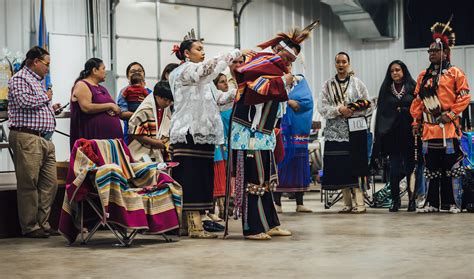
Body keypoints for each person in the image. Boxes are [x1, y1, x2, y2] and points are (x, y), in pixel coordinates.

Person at [229, 20, 319, 240]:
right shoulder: (258, 61)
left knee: (268, 179)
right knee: (254, 179)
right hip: (249, 132)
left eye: (292, 61)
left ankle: (270, 223)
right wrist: (283, 81)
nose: (288, 64)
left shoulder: (275, 68)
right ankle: (253, 227)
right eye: (287, 58)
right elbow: (252, 86)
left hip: (265, 133)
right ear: (278, 49)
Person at [168, 29, 243, 238]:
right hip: (188, 132)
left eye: (203, 49)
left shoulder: (204, 80)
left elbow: (219, 101)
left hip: (203, 134)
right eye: (198, 49)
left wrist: (238, 93)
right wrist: (231, 54)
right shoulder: (183, 71)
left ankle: (188, 224)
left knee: (201, 177)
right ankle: (194, 225)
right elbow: (205, 69)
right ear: (186, 54)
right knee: (191, 178)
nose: (203, 53)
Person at [410, 18, 470, 214]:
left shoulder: (455, 74)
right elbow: (418, 102)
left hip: (449, 129)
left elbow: (464, 97)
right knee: (431, 169)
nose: (432, 53)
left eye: (436, 50)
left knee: (452, 168)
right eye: (430, 51)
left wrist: (451, 113)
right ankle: (431, 203)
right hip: (429, 130)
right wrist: (416, 121)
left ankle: (453, 203)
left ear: (445, 52)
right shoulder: (423, 76)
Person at [8, 46, 61, 238]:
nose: (48, 68)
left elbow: (35, 106)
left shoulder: (38, 81)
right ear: (36, 61)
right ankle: (30, 227)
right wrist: (45, 97)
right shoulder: (19, 78)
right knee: (28, 184)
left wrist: (51, 108)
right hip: (27, 137)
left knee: (50, 184)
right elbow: (23, 101)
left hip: (44, 139)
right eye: (46, 64)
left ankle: (43, 222)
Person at [318, 51, 371, 214]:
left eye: (344, 62)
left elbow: (368, 104)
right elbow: (322, 108)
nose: (341, 65)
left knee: (357, 166)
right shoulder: (328, 85)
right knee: (341, 167)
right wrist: (339, 110)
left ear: (349, 63)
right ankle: (347, 203)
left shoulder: (357, 84)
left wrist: (353, 110)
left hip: (355, 131)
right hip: (335, 133)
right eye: (338, 62)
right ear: (335, 64)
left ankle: (360, 203)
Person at [372, 60, 417, 212]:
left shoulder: (412, 86)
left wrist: (404, 109)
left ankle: (412, 201)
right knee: (394, 169)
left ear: (403, 70)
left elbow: (418, 107)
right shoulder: (385, 89)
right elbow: (381, 113)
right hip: (392, 135)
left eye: (398, 70)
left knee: (410, 168)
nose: (395, 73)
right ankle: (395, 201)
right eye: (392, 71)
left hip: (409, 135)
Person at [274, 73, 314, 213]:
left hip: (297, 133)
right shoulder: (276, 83)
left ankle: (300, 202)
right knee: (279, 164)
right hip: (281, 132)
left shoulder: (301, 82)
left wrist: (291, 102)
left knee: (298, 165)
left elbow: (308, 102)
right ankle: (277, 203)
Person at [70, 58, 123, 149]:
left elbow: (114, 107)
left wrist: (113, 109)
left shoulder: (102, 88)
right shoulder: (82, 85)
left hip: (110, 140)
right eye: (103, 68)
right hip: (93, 137)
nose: (105, 72)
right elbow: (86, 107)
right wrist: (109, 106)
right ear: (94, 70)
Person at [208, 73, 236, 222]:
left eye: (226, 82)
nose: (226, 85)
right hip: (217, 146)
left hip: (227, 146)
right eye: (222, 82)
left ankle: (226, 210)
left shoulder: (231, 106)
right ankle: (211, 210)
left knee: (227, 178)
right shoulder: (214, 107)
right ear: (215, 86)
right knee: (215, 178)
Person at [128, 80, 173, 163]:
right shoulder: (145, 110)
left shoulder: (165, 109)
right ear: (156, 96)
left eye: (170, 101)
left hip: (159, 149)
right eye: (165, 100)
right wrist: (154, 142)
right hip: (142, 151)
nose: (167, 103)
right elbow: (134, 133)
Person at [117, 62, 151, 143]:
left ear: (144, 74)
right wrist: (141, 113)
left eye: (139, 71)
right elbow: (122, 114)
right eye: (132, 71)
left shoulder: (150, 93)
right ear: (128, 76)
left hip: (150, 133)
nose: (136, 73)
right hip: (131, 134)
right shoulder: (124, 92)